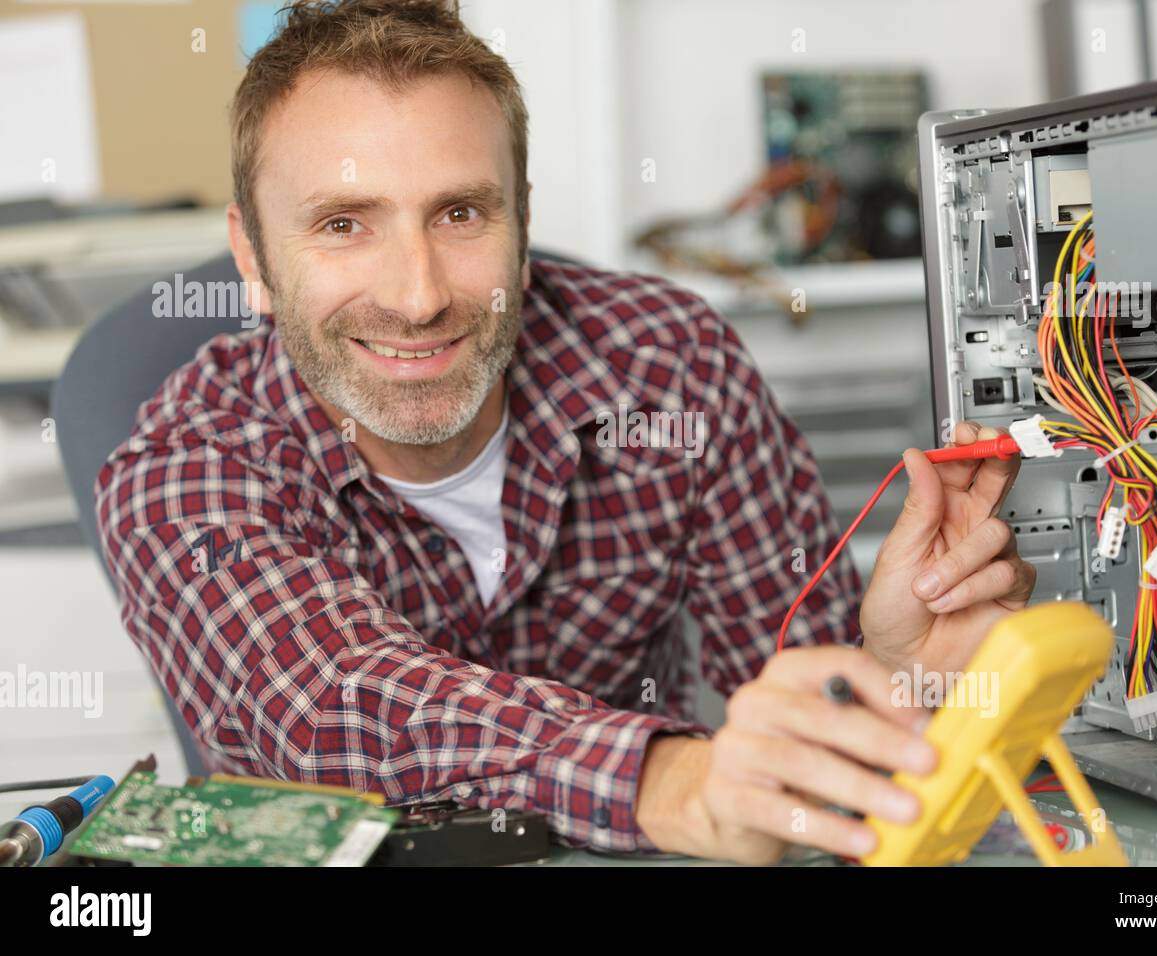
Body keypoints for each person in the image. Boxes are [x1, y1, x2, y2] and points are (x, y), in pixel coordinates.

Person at [96, 0, 1034, 865]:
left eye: (460, 213)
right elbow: (329, 704)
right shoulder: (182, 469)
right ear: (252, 258)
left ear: (524, 219)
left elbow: (800, 730)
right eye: (344, 225)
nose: (418, 297)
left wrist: (887, 678)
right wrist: (672, 780)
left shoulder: (675, 370)